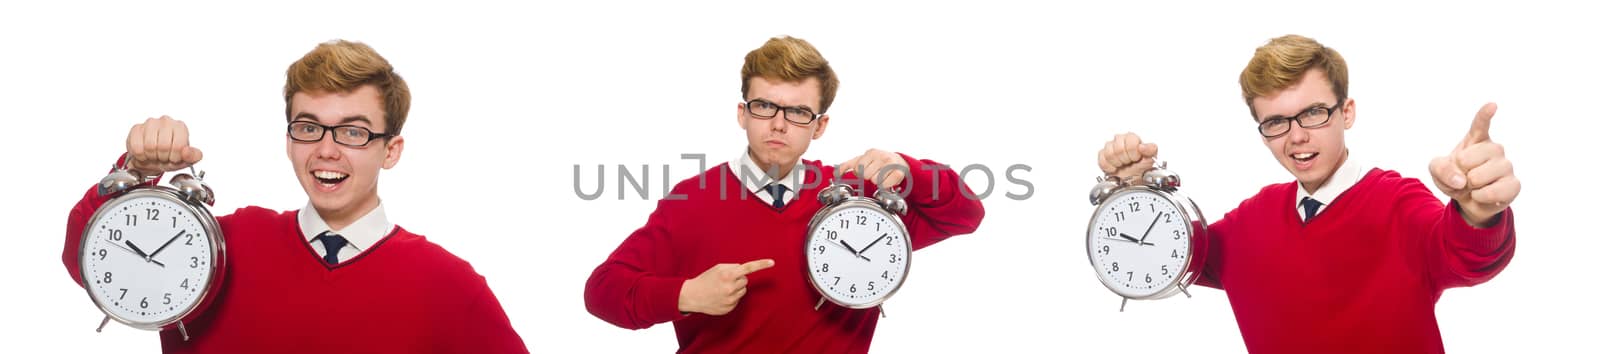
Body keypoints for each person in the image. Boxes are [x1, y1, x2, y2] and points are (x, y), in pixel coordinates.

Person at [61, 40, 528, 353]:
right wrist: (138, 171)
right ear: (289, 140)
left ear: (391, 151)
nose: (327, 150)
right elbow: (88, 263)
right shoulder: (216, 247)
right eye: (309, 127)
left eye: (353, 132)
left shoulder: (450, 286)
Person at [1097, 34, 1519, 353]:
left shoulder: (1399, 204)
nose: (1297, 137)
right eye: (1276, 122)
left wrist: (1477, 209)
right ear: (1263, 134)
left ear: (1346, 112)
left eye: (1313, 113)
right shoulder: (1250, 223)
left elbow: (1467, 255)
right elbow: (1168, 257)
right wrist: (1135, 190)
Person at [583, 36, 986, 353]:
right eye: (764, 106)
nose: (778, 124)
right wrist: (686, 294)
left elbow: (965, 215)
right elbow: (602, 290)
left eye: (797, 112)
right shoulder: (692, 201)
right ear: (742, 114)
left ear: (820, 125)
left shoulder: (861, 201)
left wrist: (909, 168)